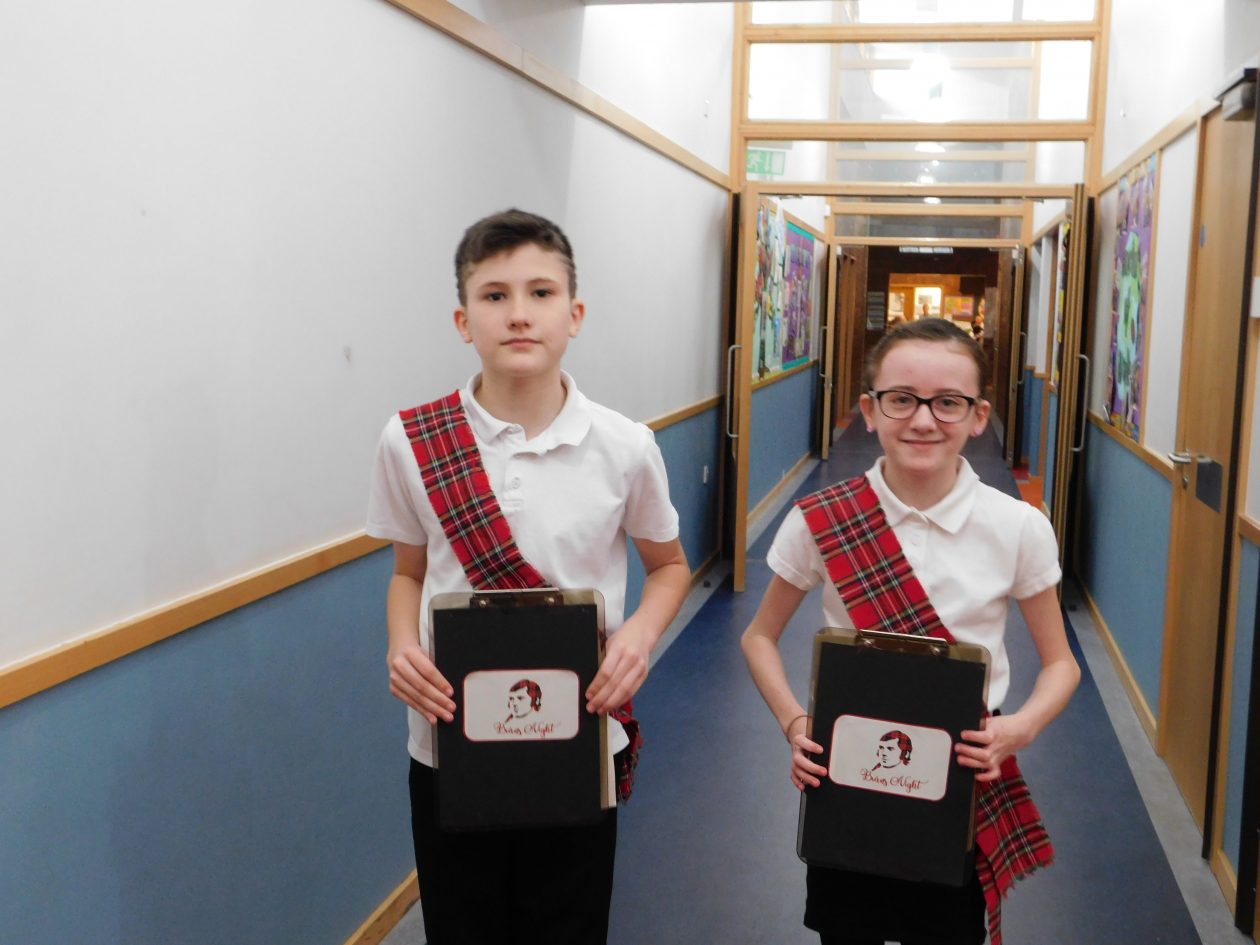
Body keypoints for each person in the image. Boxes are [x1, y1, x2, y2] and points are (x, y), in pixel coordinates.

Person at [367, 208, 690, 944]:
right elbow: (408, 572)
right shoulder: (410, 440)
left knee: (567, 926)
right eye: (495, 295)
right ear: (463, 320)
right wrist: (400, 645)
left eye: (541, 293)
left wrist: (638, 637)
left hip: (579, 736)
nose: (519, 313)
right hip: (448, 738)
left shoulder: (625, 446)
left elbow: (669, 566)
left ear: (574, 315)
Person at [741, 318, 1079, 945]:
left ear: (978, 416)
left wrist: (1021, 728)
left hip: (959, 783)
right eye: (902, 399)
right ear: (870, 411)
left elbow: (1062, 664)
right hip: (847, 779)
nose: (923, 420)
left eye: (948, 402)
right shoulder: (820, 519)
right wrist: (795, 723)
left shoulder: (1018, 527)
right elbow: (758, 637)